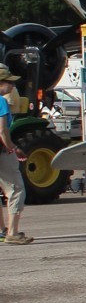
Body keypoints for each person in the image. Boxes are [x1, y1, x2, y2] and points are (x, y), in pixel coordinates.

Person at [0, 68, 31, 245]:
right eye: (9, 82)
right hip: (2, 152)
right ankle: (13, 232)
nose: (12, 85)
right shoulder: (1, 102)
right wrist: (13, 148)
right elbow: (2, 131)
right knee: (16, 188)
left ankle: (1, 230)